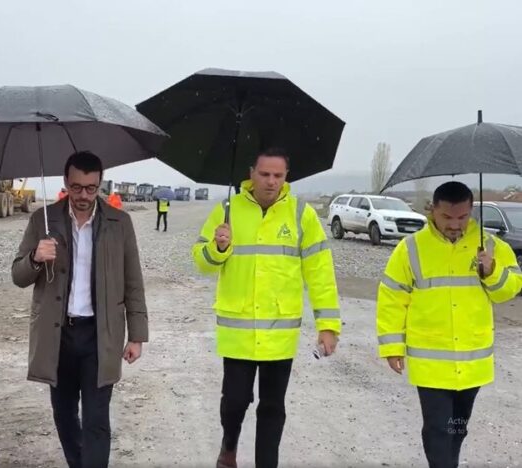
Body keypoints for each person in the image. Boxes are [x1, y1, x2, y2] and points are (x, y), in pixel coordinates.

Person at [192, 147, 340, 468]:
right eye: (264, 174)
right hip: (238, 331)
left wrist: (328, 325)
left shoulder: (301, 214)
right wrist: (218, 248)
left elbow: (321, 273)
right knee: (234, 401)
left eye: (278, 175)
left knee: (272, 407)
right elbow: (200, 262)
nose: (271, 181)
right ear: (251, 173)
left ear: (286, 177)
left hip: (279, 333)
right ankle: (229, 446)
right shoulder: (227, 209)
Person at [12, 151, 148, 468]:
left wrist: (137, 335)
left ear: (100, 184)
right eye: (76, 187)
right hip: (58, 336)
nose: (83, 195)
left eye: (90, 188)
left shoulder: (120, 223)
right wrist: (35, 257)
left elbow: (133, 282)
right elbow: (18, 276)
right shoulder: (43, 221)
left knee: (96, 419)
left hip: (100, 336)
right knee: (63, 414)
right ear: (65, 183)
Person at [376, 181, 522, 468]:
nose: (455, 224)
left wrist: (492, 272)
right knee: (438, 429)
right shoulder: (411, 248)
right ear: (432, 210)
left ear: (471, 211)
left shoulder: (491, 246)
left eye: (462, 217)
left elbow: (510, 290)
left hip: (472, 360)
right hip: (430, 362)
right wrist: (392, 346)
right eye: (447, 217)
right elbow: (392, 298)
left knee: (457, 427)